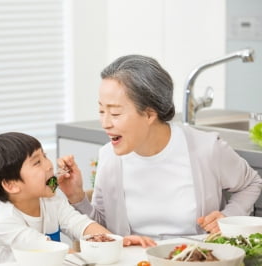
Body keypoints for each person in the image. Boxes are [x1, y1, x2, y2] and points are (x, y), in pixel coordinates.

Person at [57, 54, 262, 240]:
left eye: (115, 113)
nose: (105, 123)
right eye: (102, 111)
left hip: (196, 260)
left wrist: (227, 218)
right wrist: (77, 197)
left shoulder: (205, 149)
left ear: (149, 114)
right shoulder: (110, 157)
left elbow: (251, 183)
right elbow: (104, 230)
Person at [0, 132, 155, 265]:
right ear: (11, 185)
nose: (49, 165)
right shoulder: (5, 220)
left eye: (44, 156)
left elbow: (79, 224)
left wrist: (112, 240)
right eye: (37, 162)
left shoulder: (50, 198)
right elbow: (52, 252)